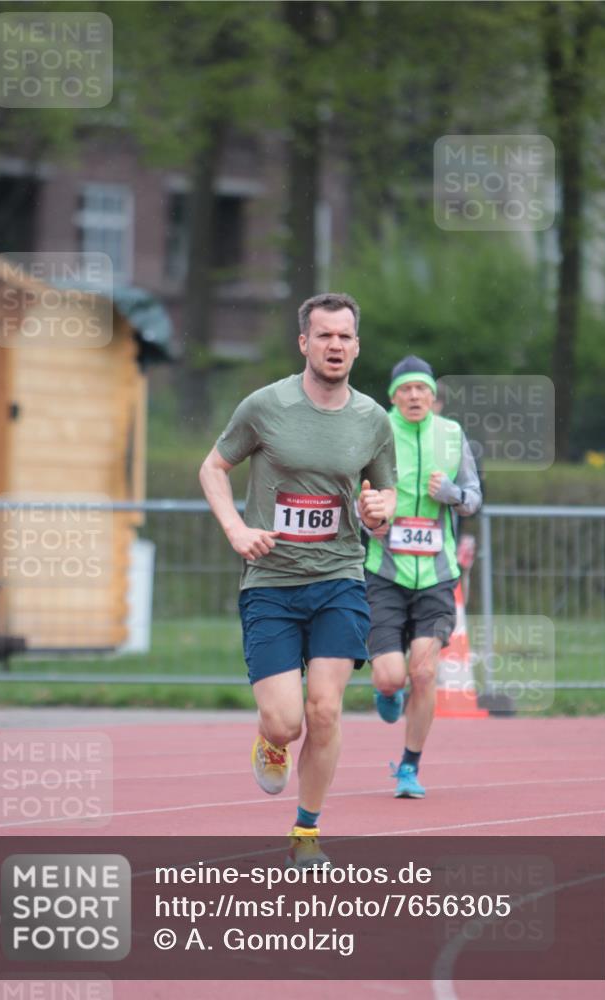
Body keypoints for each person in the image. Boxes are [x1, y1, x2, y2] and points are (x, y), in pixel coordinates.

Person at [199, 292, 396, 867]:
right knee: (286, 722)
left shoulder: (373, 420)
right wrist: (236, 528)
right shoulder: (266, 406)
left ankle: (306, 833)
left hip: (339, 577)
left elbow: (381, 505)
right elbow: (213, 467)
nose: (335, 345)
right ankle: (270, 739)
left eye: (345, 337)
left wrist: (378, 514)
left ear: (357, 347)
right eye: (324, 335)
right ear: (304, 342)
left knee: (325, 711)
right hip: (271, 584)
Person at [364, 355, 481, 799]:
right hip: (385, 571)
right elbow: (356, 494)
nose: (415, 396)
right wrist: (371, 522)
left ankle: (409, 768)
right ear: (393, 396)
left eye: (422, 389)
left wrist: (451, 495)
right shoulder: (377, 432)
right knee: (393, 676)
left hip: (436, 574)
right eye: (406, 389)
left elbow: (473, 497)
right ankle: (387, 690)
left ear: (433, 396)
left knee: (425, 671)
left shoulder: (451, 435)